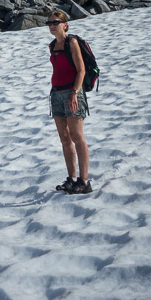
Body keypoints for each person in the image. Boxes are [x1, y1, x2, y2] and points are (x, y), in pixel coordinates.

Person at [48, 10, 92, 194]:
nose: (51, 25)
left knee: (76, 136)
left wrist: (74, 92)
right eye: (49, 22)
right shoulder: (52, 45)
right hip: (56, 94)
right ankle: (71, 178)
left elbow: (81, 70)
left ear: (65, 24)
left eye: (55, 22)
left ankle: (84, 181)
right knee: (65, 138)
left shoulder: (71, 42)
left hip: (72, 92)